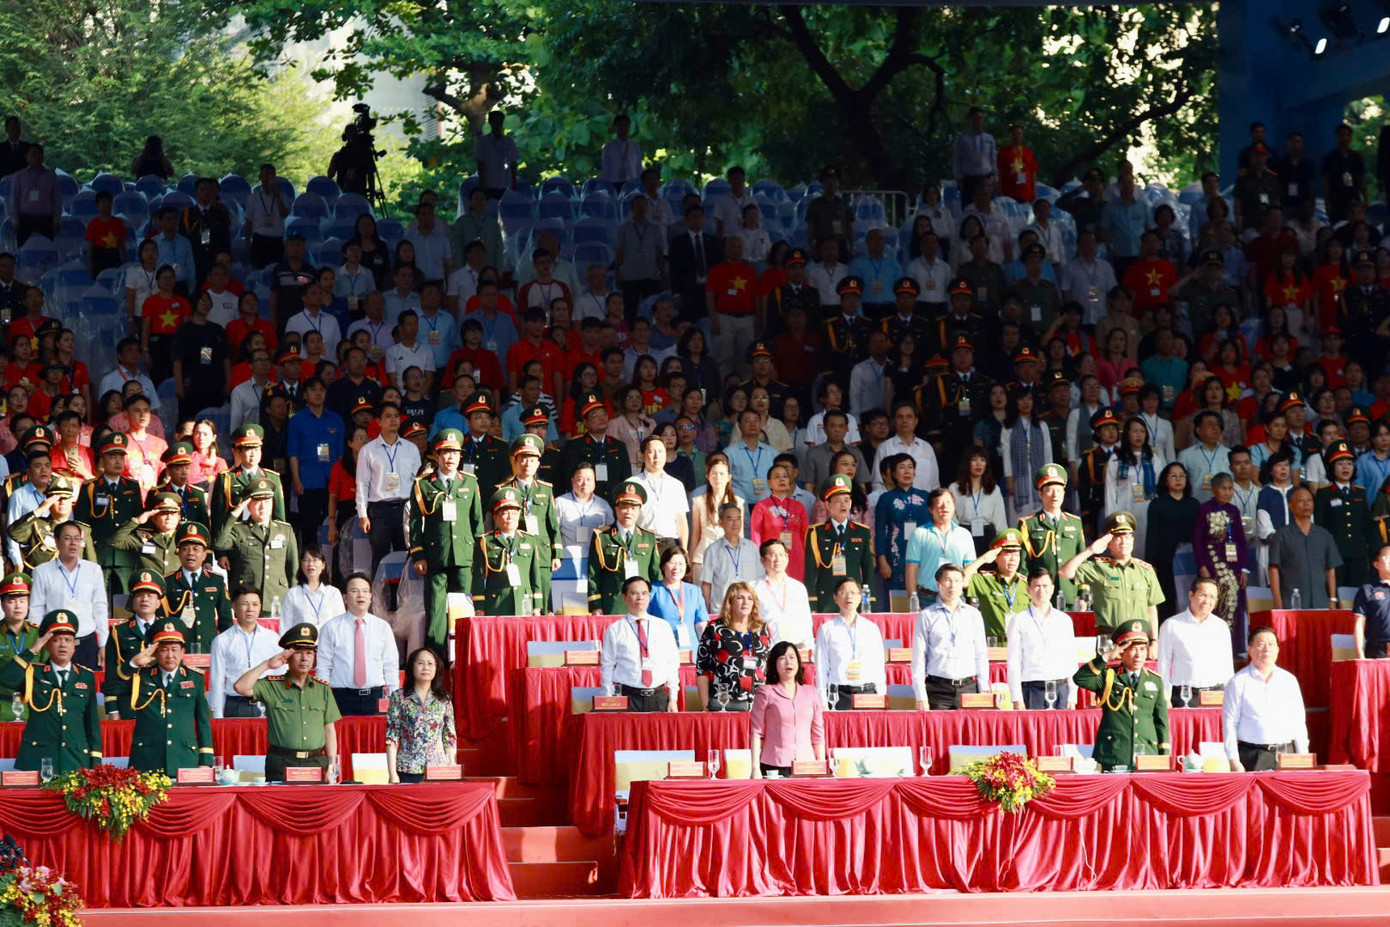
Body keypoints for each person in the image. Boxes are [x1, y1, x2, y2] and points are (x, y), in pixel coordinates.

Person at [235, 621, 341, 781]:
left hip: (316, 763)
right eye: (298, 653)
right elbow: (241, 687)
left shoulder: (323, 689)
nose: (304, 658)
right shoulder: (272, 685)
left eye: (310, 653)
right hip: (281, 763)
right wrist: (267, 664)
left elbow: (329, 730)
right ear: (287, 657)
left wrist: (332, 765)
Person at [0, 610, 103, 772]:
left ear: (74, 646)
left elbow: (92, 724)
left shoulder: (86, 676)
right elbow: (6, 678)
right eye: (56, 640)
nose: (63, 645)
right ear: (47, 645)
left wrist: (96, 763)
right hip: (39, 758)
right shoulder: (33, 673)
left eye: (68, 640)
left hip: (75, 759)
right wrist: (32, 650)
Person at [407, 428, 483, 647]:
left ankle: (462, 654)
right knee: (435, 610)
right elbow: (414, 523)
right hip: (434, 554)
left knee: (463, 609)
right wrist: (418, 554)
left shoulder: (469, 482)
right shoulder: (423, 484)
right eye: (445, 452)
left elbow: (477, 521)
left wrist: (479, 555)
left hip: (464, 553)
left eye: (455, 453)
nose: (450, 457)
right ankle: (436, 658)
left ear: (461, 456)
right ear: (437, 456)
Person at [1073, 619, 1169, 771]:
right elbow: (1080, 678)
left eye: (1143, 649)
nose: (1138, 655)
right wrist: (1106, 658)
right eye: (1132, 649)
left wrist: (1164, 756)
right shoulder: (1109, 676)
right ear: (1121, 651)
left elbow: (1161, 721)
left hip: (1147, 753)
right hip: (1114, 752)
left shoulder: (1154, 680)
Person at [124, 618, 215, 775]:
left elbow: (203, 721)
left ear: (182, 652)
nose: (170, 655)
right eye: (164, 650)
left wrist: (205, 760)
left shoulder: (195, 678)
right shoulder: (141, 676)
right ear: (156, 652)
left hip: (184, 757)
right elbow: (111, 687)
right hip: (147, 759)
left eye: (174, 649)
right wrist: (133, 663)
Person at [1060, 511, 1164, 639]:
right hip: (1109, 641)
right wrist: (1091, 550)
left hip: (1139, 641)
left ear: (1133, 540)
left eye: (1127, 536)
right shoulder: (1099, 567)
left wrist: (1154, 641)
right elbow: (1064, 572)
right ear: (1108, 543)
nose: (1123, 541)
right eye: (1117, 537)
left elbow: (1151, 609)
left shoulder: (1146, 570)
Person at [1223, 626, 1309, 771]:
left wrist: (1303, 756)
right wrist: (1234, 761)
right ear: (1250, 650)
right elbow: (1230, 723)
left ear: (1277, 650)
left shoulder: (1289, 680)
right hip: (1253, 755)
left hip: (1286, 754)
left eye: (1271, 644)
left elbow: (1299, 721)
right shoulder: (1238, 682)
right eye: (1261, 644)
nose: (1266, 649)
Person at [317, 572, 399, 715]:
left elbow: (391, 665)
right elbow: (324, 667)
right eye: (354, 591)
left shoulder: (382, 627)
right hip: (341, 697)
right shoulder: (331, 628)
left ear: (370, 597)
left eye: (365, 591)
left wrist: (394, 697)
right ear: (345, 598)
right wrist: (322, 698)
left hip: (375, 697)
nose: (360, 595)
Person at [28, 521, 107, 670]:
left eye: (77, 539)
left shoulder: (93, 570)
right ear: (56, 542)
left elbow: (100, 608)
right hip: (54, 643)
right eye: (67, 538)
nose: (73, 543)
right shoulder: (42, 571)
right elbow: (36, 609)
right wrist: (38, 643)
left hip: (86, 643)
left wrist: (103, 643)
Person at [214, 477, 298, 617]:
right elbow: (219, 543)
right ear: (248, 505)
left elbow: (293, 569)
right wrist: (235, 513)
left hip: (276, 599)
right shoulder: (239, 530)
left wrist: (294, 600)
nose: (262, 507)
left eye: (266, 502)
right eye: (257, 502)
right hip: (247, 601)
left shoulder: (285, 530)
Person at [910, 562, 989, 710]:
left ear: (962, 584)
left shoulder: (973, 615)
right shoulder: (926, 616)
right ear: (939, 584)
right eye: (947, 580)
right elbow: (918, 659)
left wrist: (984, 688)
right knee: (937, 733)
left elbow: (981, 654)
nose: (952, 586)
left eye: (957, 581)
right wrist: (921, 697)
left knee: (970, 733)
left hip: (968, 688)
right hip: (937, 690)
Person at [356, 403, 422, 575]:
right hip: (380, 509)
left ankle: (404, 598)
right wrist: (363, 514)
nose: (393, 420)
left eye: (396, 416)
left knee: (406, 554)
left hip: (406, 507)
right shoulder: (368, 451)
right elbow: (362, 483)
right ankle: (379, 598)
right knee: (380, 556)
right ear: (378, 421)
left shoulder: (411, 448)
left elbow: (419, 483)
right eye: (388, 416)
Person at [599, 576, 680, 712]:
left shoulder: (663, 627)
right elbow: (607, 667)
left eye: (644, 593)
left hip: (658, 697)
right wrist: (608, 701)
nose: (640, 597)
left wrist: (673, 698)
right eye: (634, 593)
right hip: (627, 697)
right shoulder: (615, 629)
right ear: (624, 597)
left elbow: (672, 664)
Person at [749, 641, 825, 777]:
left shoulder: (812, 692)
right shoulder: (765, 692)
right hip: (774, 765)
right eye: (782, 658)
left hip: (806, 765)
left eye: (792, 657)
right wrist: (755, 768)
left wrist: (821, 765)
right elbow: (756, 733)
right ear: (774, 664)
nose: (788, 662)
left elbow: (818, 735)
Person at [1155, 577, 1234, 708]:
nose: (1207, 601)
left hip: (1216, 695)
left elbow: (1227, 666)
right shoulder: (1171, 625)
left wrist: (1231, 696)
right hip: (1184, 696)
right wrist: (1165, 697)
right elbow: (1163, 664)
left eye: (1212, 597)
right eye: (1202, 595)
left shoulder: (1221, 627)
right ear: (1191, 595)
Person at [1006, 567, 1078, 710]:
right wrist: (1017, 698)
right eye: (1036, 586)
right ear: (1028, 590)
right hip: (1032, 689)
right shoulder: (1019, 620)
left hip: (1060, 689)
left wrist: (1072, 695)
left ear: (1052, 589)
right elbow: (1014, 662)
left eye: (1045, 586)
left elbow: (1071, 659)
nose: (1041, 591)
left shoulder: (1064, 620)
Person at [1192, 472, 1251, 647]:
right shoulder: (1204, 509)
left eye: (1230, 488)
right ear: (1214, 489)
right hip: (1211, 564)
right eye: (1223, 488)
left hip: (1233, 566)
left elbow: (1241, 541)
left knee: (1234, 602)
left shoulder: (1234, 511)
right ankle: (1213, 644)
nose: (1227, 492)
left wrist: (1244, 569)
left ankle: (1234, 645)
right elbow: (1197, 540)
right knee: (1214, 602)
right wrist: (1202, 565)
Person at [208, 587, 283, 718]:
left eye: (255, 604)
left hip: (267, 704)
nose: (250, 609)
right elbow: (217, 680)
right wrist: (217, 714)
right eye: (244, 604)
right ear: (234, 607)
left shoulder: (273, 638)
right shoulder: (222, 641)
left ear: (260, 607)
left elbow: (280, 674)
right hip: (236, 704)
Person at [803, 474, 875, 611]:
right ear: (828, 505)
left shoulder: (862, 532)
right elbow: (810, 572)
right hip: (826, 598)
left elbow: (868, 571)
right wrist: (812, 603)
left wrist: (869, 601)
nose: (843, 505)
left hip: (853, 598)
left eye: (847, 500)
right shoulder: (816, 532)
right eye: (838, 501)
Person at [385, 646, 457, 783]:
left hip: (437, 768)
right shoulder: (399, 697)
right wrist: (392, 774)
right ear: (412, 667)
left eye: (430, 664)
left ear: (437, 668)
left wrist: (451, 765)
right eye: (420, 663)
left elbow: (450, 737)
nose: (426, 667)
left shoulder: (443, 699)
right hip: (407, 768)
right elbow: (391, 738)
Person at [1017, 463, 1086, 605]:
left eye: (1059, 491)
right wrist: (1024, 596)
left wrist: (1083, 594)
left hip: (1070, 593)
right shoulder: (1029, 524)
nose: (1055, 495)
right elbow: (1024, 566)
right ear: (1040, 494)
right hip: (1040, 595)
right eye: (1049, 490)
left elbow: (1082, 562)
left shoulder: (1074, 523)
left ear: (1064, 493)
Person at [696, 582, 771, 711]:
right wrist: (705, 705)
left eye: (750, 598)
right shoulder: (715, 628)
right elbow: (702, 669)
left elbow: (769, 666)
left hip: (758, 704)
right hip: (724, 704)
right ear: (730, 602)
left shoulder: (761, 628)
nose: (745, 602)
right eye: (740, 597)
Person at [814, 577, 885, 710]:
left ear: (860, 597)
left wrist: (881, 696)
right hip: (839, 696)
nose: (849, 596)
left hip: (868, 694)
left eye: (853, 593)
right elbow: (821, 668)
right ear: (835, 598)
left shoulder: (872, 628)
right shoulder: (826, 629)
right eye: (843, 592)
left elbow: (879, 665)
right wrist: (823, 701)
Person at [1267, 486, 1342, 609]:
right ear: (1291, 506)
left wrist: (1332, 599)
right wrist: (1277, 601)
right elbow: (1273, 569)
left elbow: (1330, 569)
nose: (1306, 504)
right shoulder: (1281, 535)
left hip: (1320, 602)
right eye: (1301, 500)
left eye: (1310, 500)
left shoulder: (1324, 535)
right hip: (1291, 602)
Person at [1146, 463, 1202, 621]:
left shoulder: (1194, 504)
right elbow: (1152, 536)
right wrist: (1150, 564)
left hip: (1191, 561)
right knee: (1167, 601)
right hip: (1165, 561)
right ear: (1165, 480)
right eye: (1173, 476)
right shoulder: (1157, 504)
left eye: (1182, 475)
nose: (1178, 479)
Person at [1314, 439, 1373, 589]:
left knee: (1358, 596)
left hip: (1358, 555)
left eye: (1349, 463)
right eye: (1340, 464)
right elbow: (1320, 526)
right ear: (1332, 467)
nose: (1345, 467)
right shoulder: (1324, 493)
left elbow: (1367, 524)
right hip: (1335, 555)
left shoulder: (1360, 492)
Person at [903, 488, 975, 604]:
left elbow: (971, 568)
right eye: (939, 503)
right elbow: (911, 569)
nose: (944, 507)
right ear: (931, 509)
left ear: (954, 506)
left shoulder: (964, 535)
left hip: (955, 597)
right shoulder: (919, 534)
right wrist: (913, 598)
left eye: (948, 502)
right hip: (926, 597)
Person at [960, 529, 1028, 643]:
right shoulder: (986, 580)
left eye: (1016, 555)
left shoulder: (1026, 584)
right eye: (1008, 554)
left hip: (1021, 645)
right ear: (996, 558)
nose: (1013, 559)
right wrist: (983, 559)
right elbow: (961, 581)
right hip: (995, 646)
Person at [699, 501, 764, 612]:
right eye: (730, 519)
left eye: (738, 519)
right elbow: (706, 584)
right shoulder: (713, 550)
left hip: (748, 609)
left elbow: (760, 579)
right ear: (721, 523)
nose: (735, 523)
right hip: (722, 610)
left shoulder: (752, 548)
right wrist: (707, 611)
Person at [753, 539, 814, 651]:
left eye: (782, 555)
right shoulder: (753, 588)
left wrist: (809, 648)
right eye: (772, 555)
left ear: (787, 558)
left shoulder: (798, 587)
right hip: (766, 649)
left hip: (795, 649)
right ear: (762, 560)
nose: (778, 559)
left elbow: (806, 621)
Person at [647, 546, 707, 651]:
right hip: (662, 650)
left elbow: (701, 624)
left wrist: (706, 650)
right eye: (672, 563)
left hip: (691, 650)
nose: (676, 568)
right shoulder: (653, 591)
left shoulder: (694, 591)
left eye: (680, 564)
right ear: (663, 566)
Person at [281, 545, 345, 631]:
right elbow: (285, 627)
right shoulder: (292, 594)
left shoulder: (333, 593)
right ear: (301, 565)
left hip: (328, 643)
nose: (311, 564)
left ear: (323, 565)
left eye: (315, 560)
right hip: (302, 643)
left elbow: (340, 625)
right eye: (306, 560)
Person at [1353, 544, 1390, 658]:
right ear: (1376, 564)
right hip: (1377, 649)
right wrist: (1360, 654)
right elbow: (1359, 623)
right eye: (1387, 557)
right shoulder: (1368, 589)